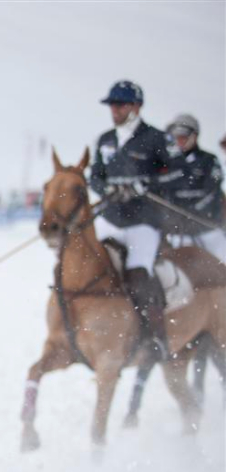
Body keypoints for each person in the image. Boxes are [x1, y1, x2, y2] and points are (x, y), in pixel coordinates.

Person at [88, 80, 173, 358]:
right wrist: (107, 189)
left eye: (120, 104)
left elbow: (171, 174)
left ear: (136, 107)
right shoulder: (105, 140)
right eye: (112, 104)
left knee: (138, 275)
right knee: (86, 266)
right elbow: (95, 176)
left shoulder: (157, 139)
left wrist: (143, 186)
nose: (115, 110)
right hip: (111, 218)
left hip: (143, 223)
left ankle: (154, 336)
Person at [157, 113, 225, 264]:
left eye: (184, 137)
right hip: (177, 233)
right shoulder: (166, 164)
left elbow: (212, 191)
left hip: (208, 230)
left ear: (194, 136)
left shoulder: (209, 160)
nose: (180, 141)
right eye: (176, 137)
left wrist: (193, 211)